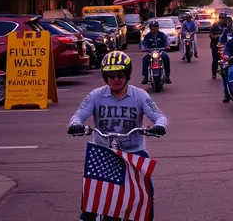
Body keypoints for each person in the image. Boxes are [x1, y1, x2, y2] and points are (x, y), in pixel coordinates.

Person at [68, 51, 168, 221]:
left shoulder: (140, 95)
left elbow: (160, 116)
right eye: (111, 75)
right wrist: (75, 125)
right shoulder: (95, 95)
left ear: (128, 74)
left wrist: (158, 126)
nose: (116, 79)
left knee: (145, 193)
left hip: (134, 152)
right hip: (103, 152)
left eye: (120, 75)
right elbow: (78, 115)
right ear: (105, 76)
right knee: (91, 193)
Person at [209, 12, 229, 79]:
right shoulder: (215, 25)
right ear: (219, 18)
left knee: (229, 59)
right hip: (216, 46)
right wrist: (217, 36)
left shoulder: (228, 27)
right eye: (222, 18)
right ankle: (214, 74)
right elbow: (211, 35)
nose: (223, 20)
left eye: (224, 18)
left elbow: (232, 34)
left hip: (226, 47)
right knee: (215, 60)